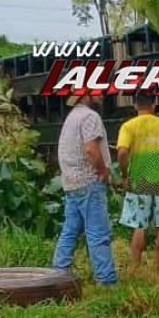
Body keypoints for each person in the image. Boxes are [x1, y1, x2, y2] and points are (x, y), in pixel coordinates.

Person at [51, 94, 117, 286]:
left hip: (72, 183)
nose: (102, 94)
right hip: (89, 181)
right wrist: (103, 171)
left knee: (70, 231)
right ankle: (107, 282)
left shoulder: (72, 117)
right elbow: (91, 150)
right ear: (86, 94)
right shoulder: (90, 117)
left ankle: (57, 274)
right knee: (98, 234)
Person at [117, 93, 159, 267]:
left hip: (139, 182)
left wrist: (124, 175)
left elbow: (122, 152)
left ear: (135, 106)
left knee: (139, 225)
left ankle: (136, 266)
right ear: (154, 105)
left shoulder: (128, 127)